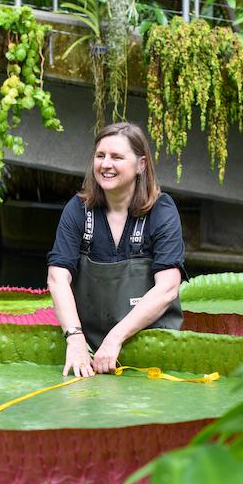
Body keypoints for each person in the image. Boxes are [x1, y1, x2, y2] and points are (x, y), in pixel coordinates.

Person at [46, 122, 188, 378]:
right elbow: (57, 278)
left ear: (141, 165)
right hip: (86, 349)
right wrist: (75, 339)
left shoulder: (162, 211)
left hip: (151, 344)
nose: (105, 164)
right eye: (100, 156)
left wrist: (115, 339)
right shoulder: (78, 209)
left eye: (117, 157)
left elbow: (167, 288)